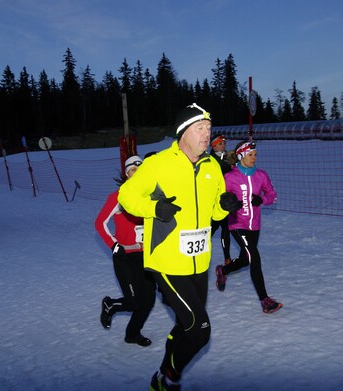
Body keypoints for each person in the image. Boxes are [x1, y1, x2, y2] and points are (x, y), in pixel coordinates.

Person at [118, 103, 242, 391]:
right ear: (183, 132)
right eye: (200, 128)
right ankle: (168, 378)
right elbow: (127, 195)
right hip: (167, 261)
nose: (206, 134)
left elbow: (213, 212)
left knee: (186, 325)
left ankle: (162, 373)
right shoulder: (159, 163)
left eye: (209, 128)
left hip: (199, 261)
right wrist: (154, 208)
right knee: (200, 329)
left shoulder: (212, 166)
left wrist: (224, 207)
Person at [214, 140, 283, 314]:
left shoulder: (261, 175)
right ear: (241, 156)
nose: (254, 158)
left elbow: (272, 195)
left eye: (255, 155)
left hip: (255, 225)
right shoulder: (230, 177)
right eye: (251, 155)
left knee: (246, 259)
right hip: (237, 223)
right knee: (255, 257)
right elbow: (218, 198)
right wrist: (228, 203)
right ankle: (265, 300)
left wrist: (263, 200)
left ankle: (223, 270)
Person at [95, 155, 156, 347]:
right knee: (134, 300)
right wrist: (114, 245)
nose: (136, 174)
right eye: (133, 171)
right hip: (125, 257)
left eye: (140, 170)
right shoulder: (119, 196)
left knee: (149, 299)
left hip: (145, 257)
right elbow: (100, 223)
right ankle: (110, 305)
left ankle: (132, 334)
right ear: (127, 174)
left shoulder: (149, 196)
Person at [209, 134, 238, 265]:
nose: (223, 145)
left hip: (227, 199)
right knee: (211, 228)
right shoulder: (209, 159)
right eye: (220, 143)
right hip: (214, 200)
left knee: (226, 229)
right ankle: (200, 250)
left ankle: (227, 258)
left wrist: (235, 165)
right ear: (213, 146)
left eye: (224, 143)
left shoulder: (229, 157)